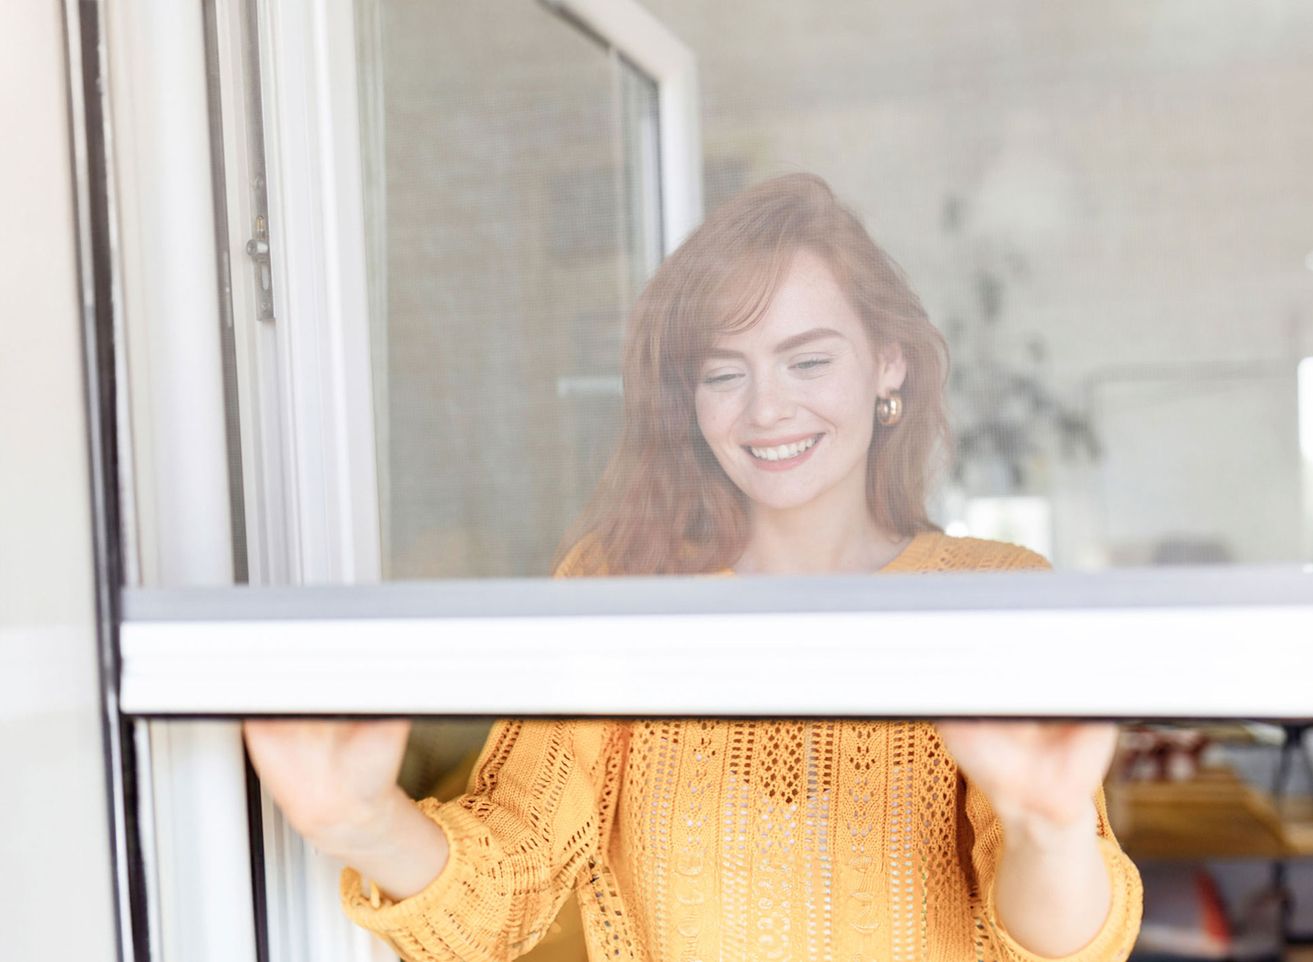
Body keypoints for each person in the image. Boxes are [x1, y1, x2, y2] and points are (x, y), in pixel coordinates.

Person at [244, 173, 1143, 962]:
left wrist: (1047, 827)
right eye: (724, 374)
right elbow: (498, 902)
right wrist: (360, 822)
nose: (768, 409)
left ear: (889, 363)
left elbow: (1064, 950)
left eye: (809, 360)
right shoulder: (620, 589)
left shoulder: (992, 593)